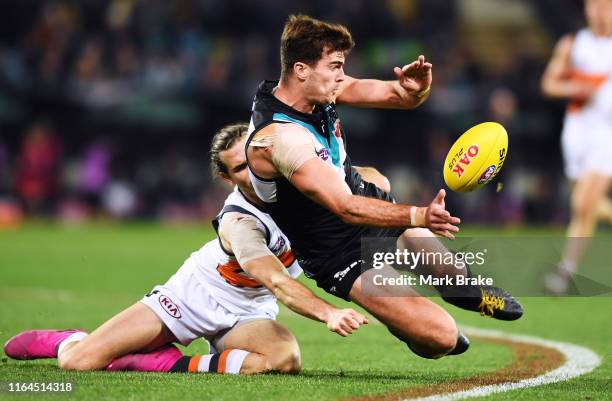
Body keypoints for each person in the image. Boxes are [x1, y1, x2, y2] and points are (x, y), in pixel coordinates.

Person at [245, 14, 523, 359]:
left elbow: (397, 95)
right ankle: (407, 325)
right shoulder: (280, 138)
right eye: (334, 66)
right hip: (339, 253)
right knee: (441, 339)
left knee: (452, 275)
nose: (341, 76)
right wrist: (419, 215)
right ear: (301, 69)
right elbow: (344, 206)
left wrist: (414, 90)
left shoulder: (316, 89)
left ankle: (465, 292)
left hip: (369, 206)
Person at [4, 123, 369, 375]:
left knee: (284, 359)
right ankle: (71, 341)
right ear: (227, 178)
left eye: (255, 158)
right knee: (79, 363)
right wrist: (328, 313)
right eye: (240, 167)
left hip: (248, 310)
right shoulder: (239, 221)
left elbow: (367, 182)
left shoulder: (311, 188)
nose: (253, 170)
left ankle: (161, 361)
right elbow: (275, 279)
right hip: (191, 299)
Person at [541, 0, 612, 294]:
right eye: (596, 6)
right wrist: (574, 89)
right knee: (585, 205)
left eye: (607, 7)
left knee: (582, 204)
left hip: (607, 135)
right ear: (587, 10)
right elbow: (549, 84)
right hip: (577, 132)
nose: (601, 12)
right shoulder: (573, 44)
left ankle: (563, 273)